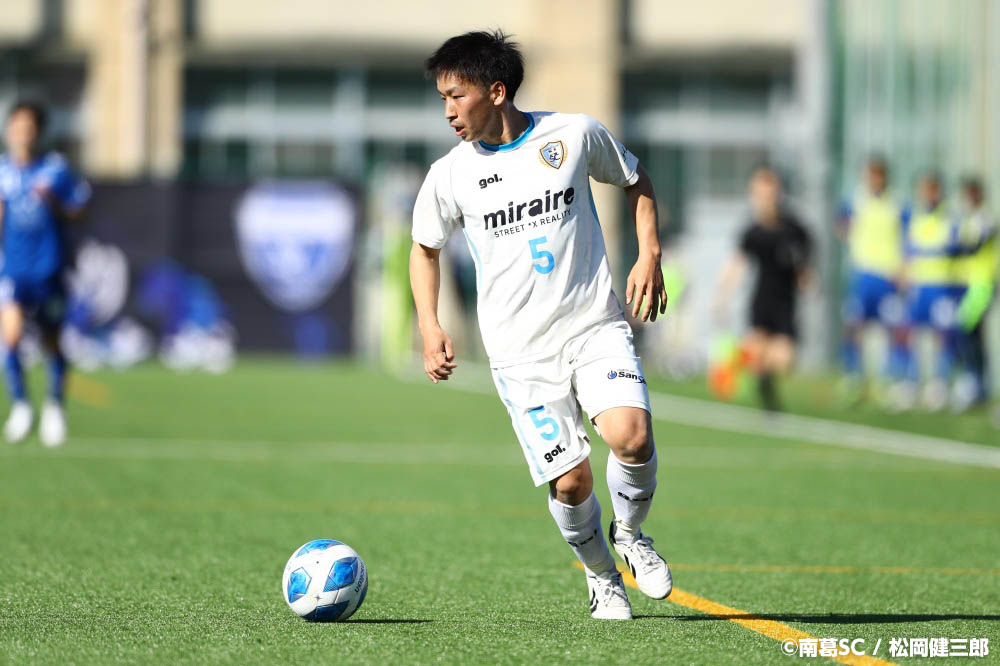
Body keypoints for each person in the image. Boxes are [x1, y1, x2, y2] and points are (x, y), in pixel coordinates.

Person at [409, 31, 671, 620]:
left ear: (496, 91)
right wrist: (430, 325)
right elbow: (424, 248)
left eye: (457, 95)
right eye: (442, 98)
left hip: (593, 326)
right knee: (572, 481)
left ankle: (631, 535)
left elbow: (635, 179)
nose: (448, 110)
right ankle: (602, 575)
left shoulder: (573, 135)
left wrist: (649, 253)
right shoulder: (449, 175)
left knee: (631, 436)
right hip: (520, 354)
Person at [0, 102, 90, 446]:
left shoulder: (55, 170)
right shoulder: (2, 172)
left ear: (38, 131)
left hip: (48, 269)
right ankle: (21, 405)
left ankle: (55, 406)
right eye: (17, 125)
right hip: (13, 271)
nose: (22, 132)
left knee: (51, 342)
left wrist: (56, 204)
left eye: (28, 126)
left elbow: (79, 209)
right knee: (10, 337)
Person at [714, 166, 813, 412]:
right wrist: (722, 295)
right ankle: (753, 380)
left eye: (769, 194)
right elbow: (737, 264)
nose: (765, 200)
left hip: (786, 303)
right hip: (761, 301)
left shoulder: (794, 229)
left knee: (784, 360)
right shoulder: (753, 232)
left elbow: (804, 265)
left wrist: (807, 279)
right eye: (760, 195)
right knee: (758, 355)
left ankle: (748, 368)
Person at [837, 156, 907, 402]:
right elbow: (841, 225)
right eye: (870, 175)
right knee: (853, 325)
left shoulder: (897, 202)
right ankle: (853, 376)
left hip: (888, 274)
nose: (873, 180)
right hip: (862, 273)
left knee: (894, 327)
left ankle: (894, 378)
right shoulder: (855, 199)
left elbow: (907, 235)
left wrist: (903, 269)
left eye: (877, 175)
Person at [894, 172, 962, 411]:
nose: (928, 195)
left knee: (943, 336)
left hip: (942, 286)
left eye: (932, 190)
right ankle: (909, 382)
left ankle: (939, 384)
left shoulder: (950, 218)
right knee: (908, 332)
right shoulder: (915, 218)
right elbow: (909, 251)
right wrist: (904, 275)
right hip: (919, 285)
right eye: (925, 190)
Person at [952, 177, 997, 410]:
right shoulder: (966, 219)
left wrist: (953, 248)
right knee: (973, 335)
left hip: (983, 284)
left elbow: (973, 247)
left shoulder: (985, 218)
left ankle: (975, 381)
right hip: (967, 284)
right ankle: (978, 385)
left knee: (964, 329)